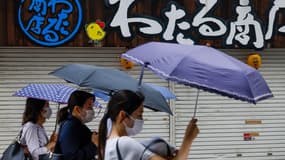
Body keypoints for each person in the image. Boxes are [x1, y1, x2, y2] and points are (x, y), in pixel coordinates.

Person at [98, 90, 199, 160]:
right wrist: (188, 138)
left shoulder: (108, 144)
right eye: (139, 114)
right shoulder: (124, 143)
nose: (141, 119)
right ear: (123, 115)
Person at [54, 90, 98, 160]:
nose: (92, 110)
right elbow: (72, 157)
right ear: (77, 109)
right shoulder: (70, 127)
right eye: (89, 106)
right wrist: (94, 144)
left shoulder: (77, 125)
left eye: (92, 106)